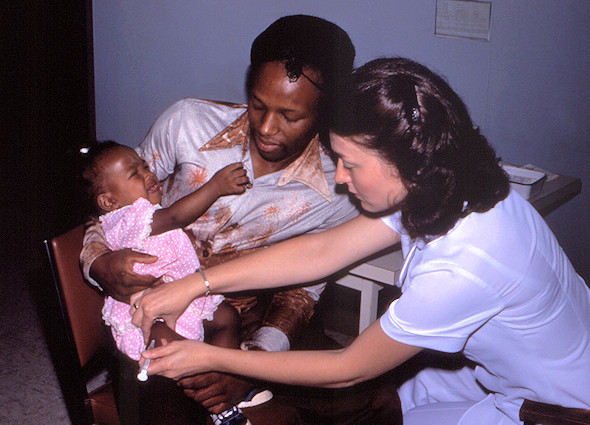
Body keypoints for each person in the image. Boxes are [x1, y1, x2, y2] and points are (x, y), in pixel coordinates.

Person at [132, 57, 590, 425]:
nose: (342, 179)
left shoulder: (466, 263)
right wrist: (194, 284)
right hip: (505, 374)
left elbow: (346, 368)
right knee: (387, 407)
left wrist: (207, 356)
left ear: (406, 162)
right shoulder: (447, 182)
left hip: (561, 406)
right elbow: (322, 250)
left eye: (350, 163)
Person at [80, 14, 372, 423]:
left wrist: (249, 362)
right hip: (145, 311)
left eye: (290, 116)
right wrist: (96, 262)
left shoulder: (341, 187)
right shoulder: (186, 124)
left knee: (371, 398)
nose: (267, 128)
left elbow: (304, 291)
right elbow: (113, 207)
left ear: (325, 112)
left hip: (242, 319)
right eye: (258, 105)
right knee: (170, 405)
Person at [81, 141, 254, 425]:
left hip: (177, 295)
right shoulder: (130, 217)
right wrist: (216, 186)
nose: (148, 174)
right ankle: (214, 399)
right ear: (108, 201)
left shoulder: (134, 215)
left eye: (145, 166)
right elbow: (176, 215)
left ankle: (220, 385)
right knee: (179, 354)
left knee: (226, 316)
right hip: (149, 312)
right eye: (135, 174)